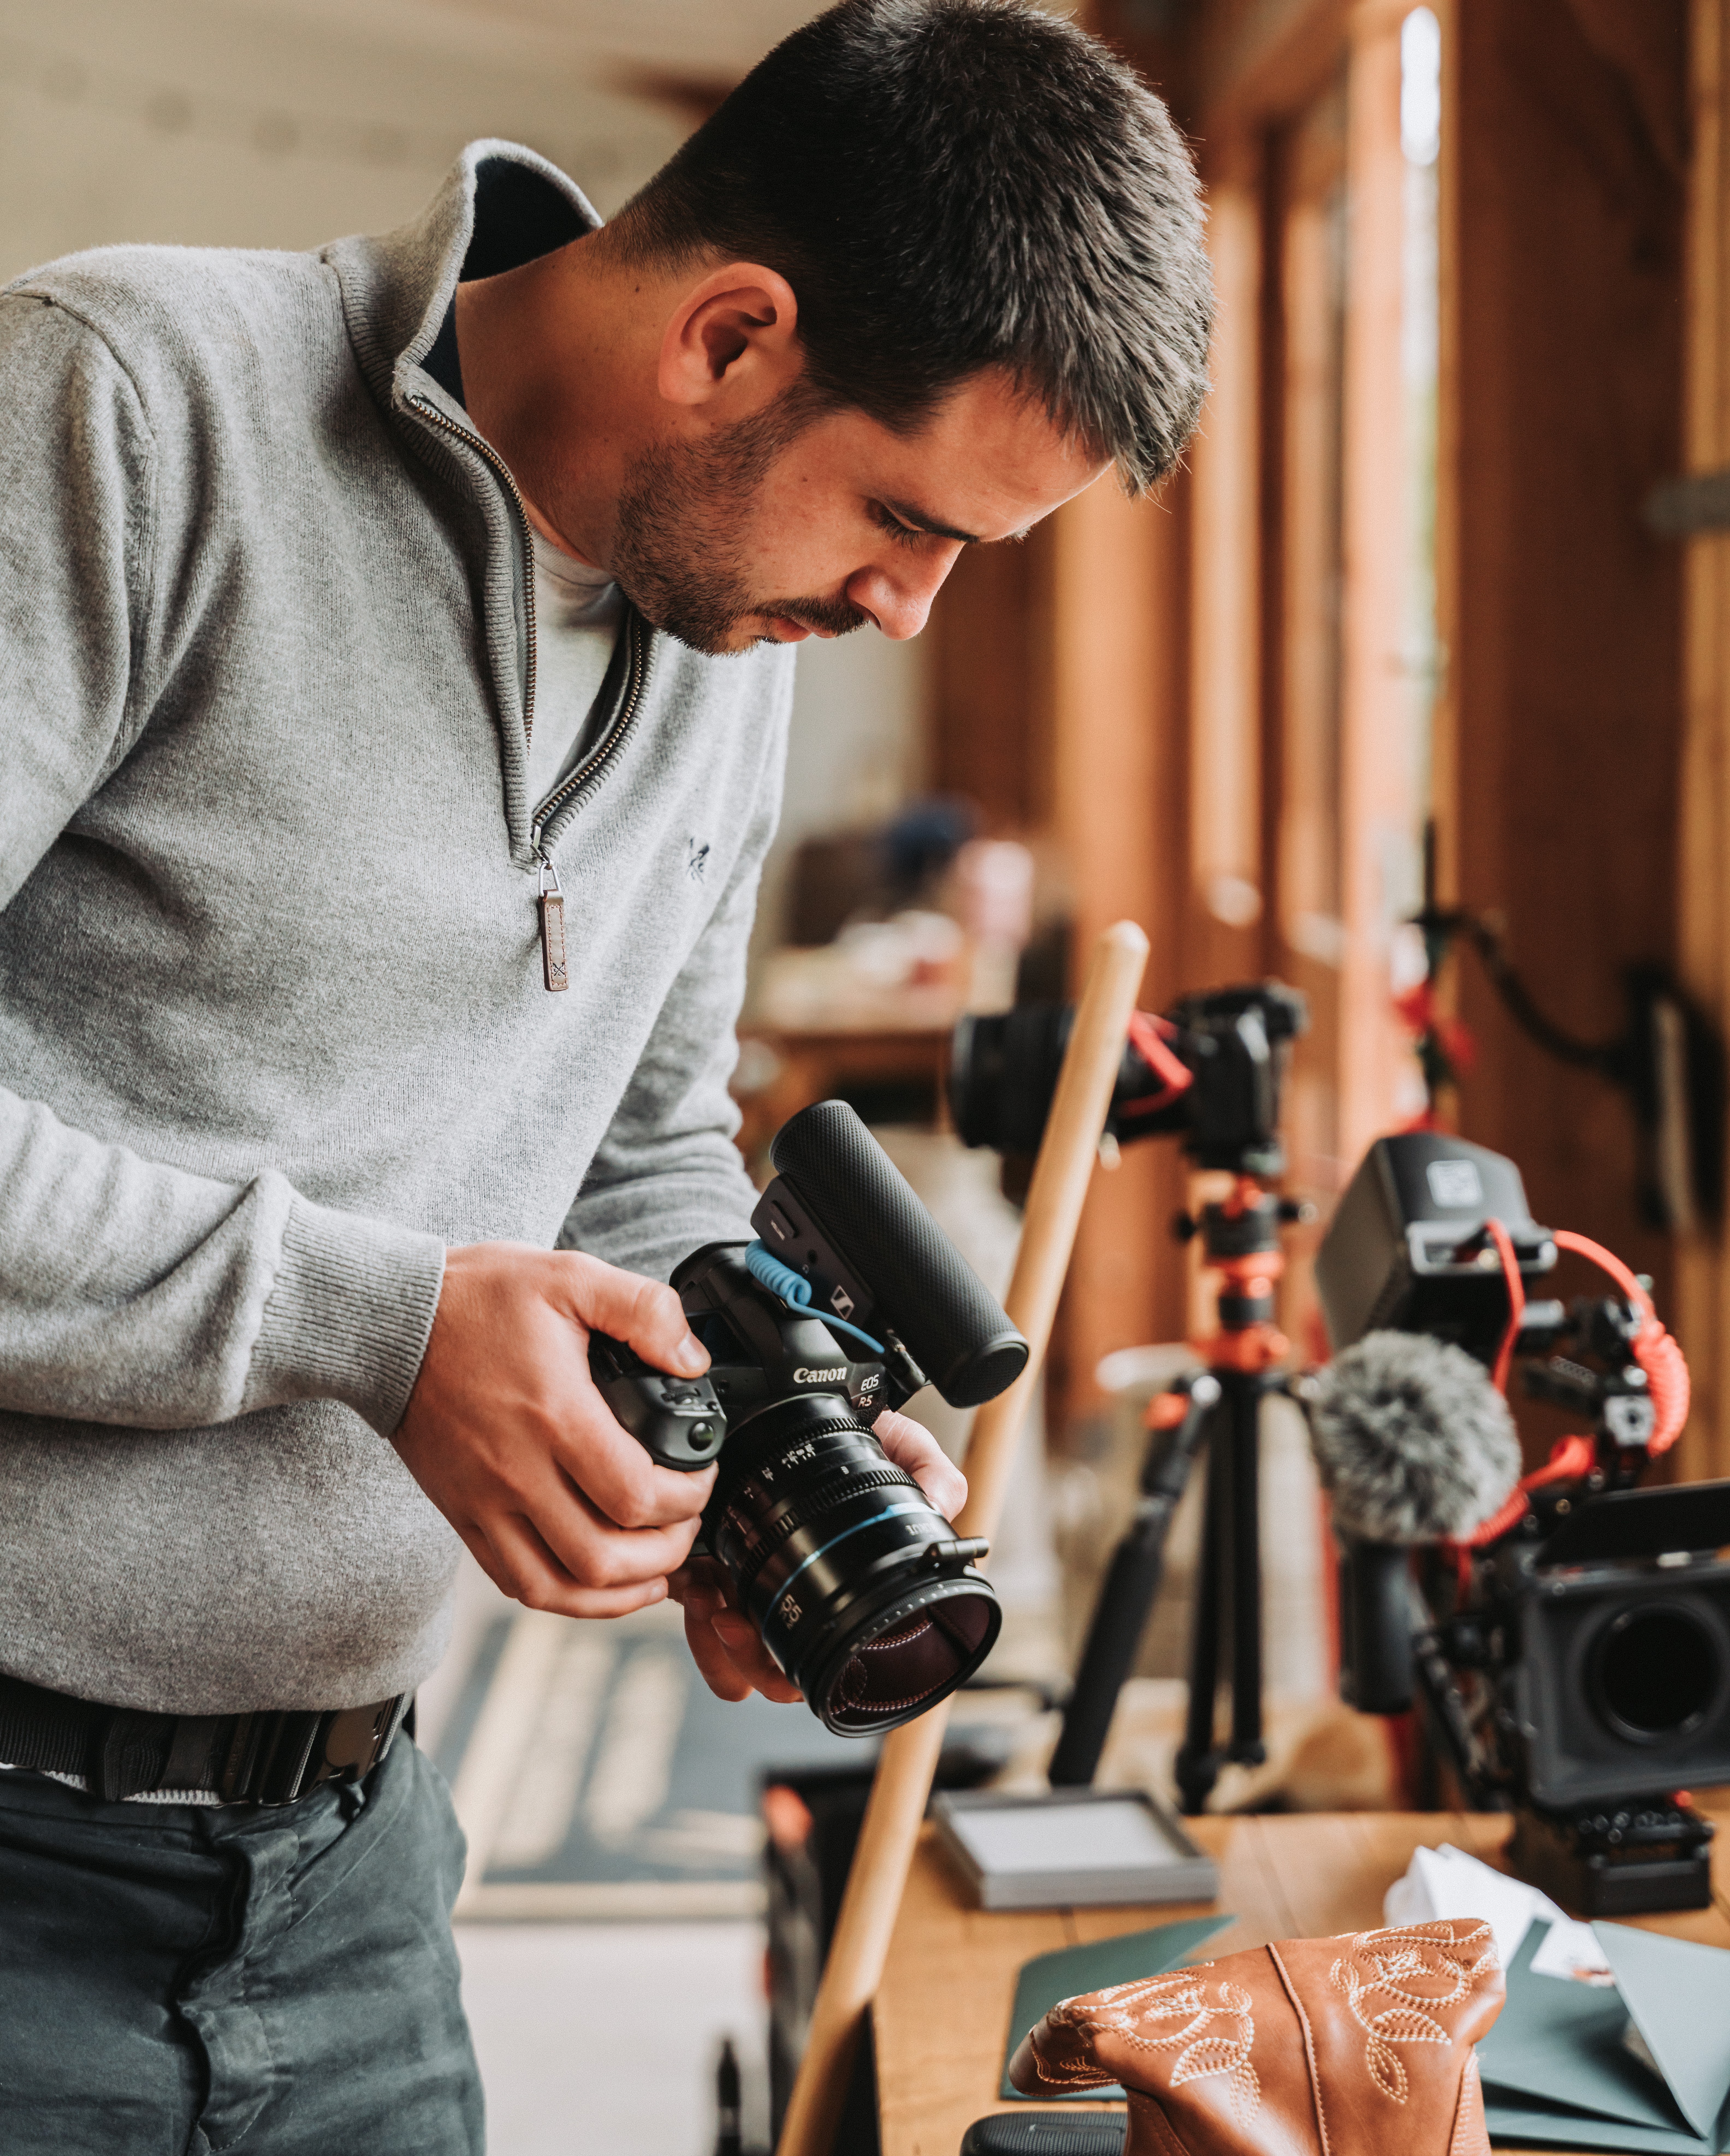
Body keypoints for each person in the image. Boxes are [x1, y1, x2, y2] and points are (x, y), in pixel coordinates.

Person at [0, 0, 1211, 2146]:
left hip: (354, 1876)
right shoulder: (125, 408)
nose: (911, 610)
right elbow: (408, 1301)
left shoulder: (725, 633)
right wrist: (380, 1325)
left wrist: (765, 1439)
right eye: (910, 520)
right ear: (733, 338)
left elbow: (637, 1143)